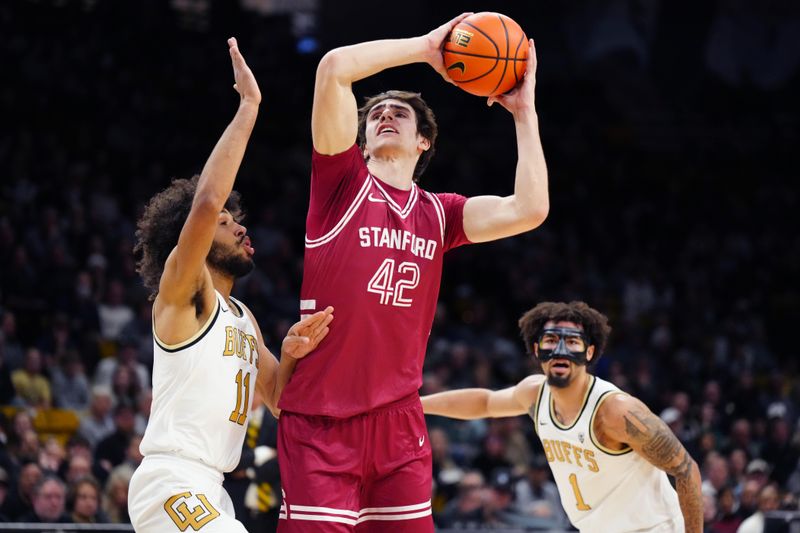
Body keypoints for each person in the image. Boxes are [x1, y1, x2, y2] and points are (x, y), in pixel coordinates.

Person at [276, 13, 550, 532]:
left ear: (424, 141)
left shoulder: (439, 214)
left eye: (400, 113)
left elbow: (530, 209)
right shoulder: (340, 187)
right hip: (321, 420)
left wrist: (524, 113)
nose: (385, 116)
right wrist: (427, 48)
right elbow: (334, 68)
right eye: (375, 113)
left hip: (399, 422)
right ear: (358, 140)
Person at [127, 38, 334, 533]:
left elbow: (279, 401)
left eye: (236, 220)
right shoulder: (182, 296)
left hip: (212, 488)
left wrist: (288, 353)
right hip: (171, 481)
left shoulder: (241, 316)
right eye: (225, 222)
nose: (240, 227)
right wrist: (249, 108)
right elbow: (203, 203)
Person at [422, 301, 703, 532]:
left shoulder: (615, 412)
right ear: (536, 350)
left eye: (572, 342)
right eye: (551, 340)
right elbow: (485, 402)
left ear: (589, 352)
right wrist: (417, 405)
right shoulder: (534, 393)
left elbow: (686, 469)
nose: (561, 350)